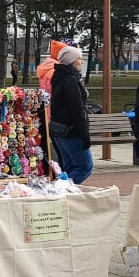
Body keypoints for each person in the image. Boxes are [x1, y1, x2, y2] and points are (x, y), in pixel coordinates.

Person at [49, 46, 92, 184]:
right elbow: (77, 109)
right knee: (85, 166)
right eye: (79, 59)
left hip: (60, 130)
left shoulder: (59, 77)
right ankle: (59, 188)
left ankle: (66, 194)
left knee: (69, 167)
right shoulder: (70, 80)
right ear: (72, 61)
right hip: (71, 131)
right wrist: (84, 134)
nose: (82, 62)